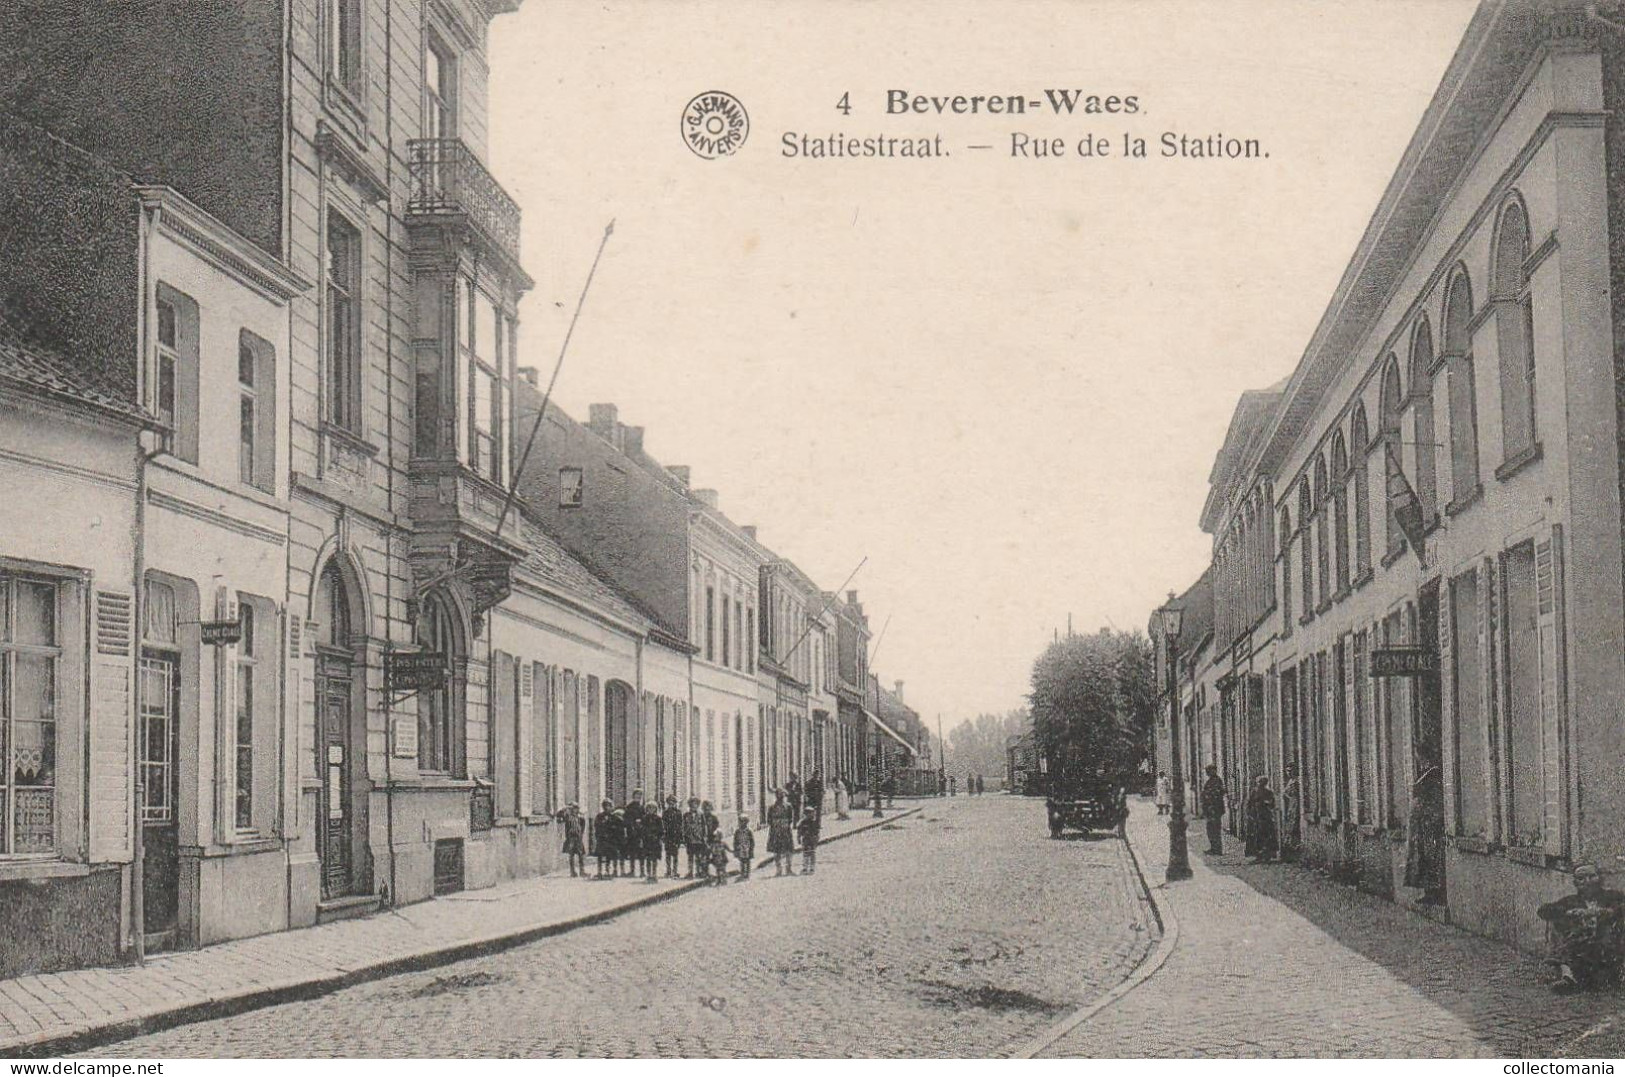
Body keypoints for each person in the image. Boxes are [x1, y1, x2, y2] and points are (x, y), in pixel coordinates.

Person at [1538, 864, 1625, 993]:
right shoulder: (1571, 901)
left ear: (1600, 879)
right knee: (1555, 923)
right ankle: (1568, 976)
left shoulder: (1612, 896)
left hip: (1610, 948)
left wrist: (1603, 912)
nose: (1587, 881)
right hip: (1581, 950)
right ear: (1575, 883)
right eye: (1581, 878)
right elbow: (1543, 911)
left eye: (1592, 876)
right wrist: (1569, 914)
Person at [1404, 764, 1446, 905]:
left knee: (1430, 861)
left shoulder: (1430, 799)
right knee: (1423, 862)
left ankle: (1434, 892)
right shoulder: (1421, 801)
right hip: (1422, 834)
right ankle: (1429, 892)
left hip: (1430, 834)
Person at [1244, 776, 1277, 863]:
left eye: (1262, 783)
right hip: (1255, 816)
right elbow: (1248, 804)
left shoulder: (1269, 792)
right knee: (1256, 836)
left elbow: (1272, 804)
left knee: (1266, 835)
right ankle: (1258, 855)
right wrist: (1249, 814)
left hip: (1265, 817)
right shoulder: (1254, 792)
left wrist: (1268, 803)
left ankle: (1267, 855)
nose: (1260, 784)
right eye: (1259, 782)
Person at [767, 787, 795, 876]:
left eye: (782, 795)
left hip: (786, 830)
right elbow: (769, 820)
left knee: (789, 850)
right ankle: (779, 870)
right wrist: (776, 824)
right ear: (776, 796)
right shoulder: (772, 808)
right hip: (776, 831)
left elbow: (791, 819)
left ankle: (788, 869)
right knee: (777, 851)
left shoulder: (788, 806)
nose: (781, 797)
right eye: (778, 795)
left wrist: (785, 824)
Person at [1201, 765, 1226, 855]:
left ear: (1214, 771)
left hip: (1214, 809)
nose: (1208, 772)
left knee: (1214, 829)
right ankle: (1214, 848)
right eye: (1207, 771)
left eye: (1209, 770)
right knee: (1210, 829)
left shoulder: (1217, 781)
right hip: (1210, 809)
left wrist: (1208, 799)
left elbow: (1217, 794)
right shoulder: (1211, 781)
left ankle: (1217, 849)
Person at [557, 802, 586, 878]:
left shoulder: (579, 817)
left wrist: (581, 833)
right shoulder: (568, 817)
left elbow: (583, 825)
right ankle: (572, 871)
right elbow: (559, 815)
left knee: (581, 854)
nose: (575, 810)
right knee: (571, 854)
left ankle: (582, 871)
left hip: (578, 837)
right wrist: (565, 808)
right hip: (571, 838)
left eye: (576, 808)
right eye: (574, 808)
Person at [1279, 765, 1302, 862]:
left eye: (1290, 771)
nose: (1288, 773)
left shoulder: (1296, 781)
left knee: (1294, 826)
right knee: (1290, 825)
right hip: (1291, 804)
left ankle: (1294, 850)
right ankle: (1290, 850)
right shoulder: (1290, 781)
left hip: (1295, 803)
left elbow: (1293, 792)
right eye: (1287, 771)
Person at [683, 796, 708, 878]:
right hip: (690, 839)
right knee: (690, 856)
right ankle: (690, 872)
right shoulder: (686, 815)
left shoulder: (701, 814)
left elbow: (704, 826)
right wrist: (685, 837)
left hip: (699, 839)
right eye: (692, 804)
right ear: (690, 805)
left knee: (698, 856)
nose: (694, 805)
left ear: (698, 805)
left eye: (696, 804)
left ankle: (698, 872)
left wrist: (704, 836)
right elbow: (684, 827)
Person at [623, 790, 646, 878]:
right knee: (632, 852)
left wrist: (641, 822)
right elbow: (626, 819)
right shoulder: (629, 807)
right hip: (631, 832)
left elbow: (645, 818)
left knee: (641, 853)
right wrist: (632, 824)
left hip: (640, 833)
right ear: (633, 796)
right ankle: (632, 870)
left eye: (640, 796)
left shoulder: (642, 807)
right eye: (637, 795)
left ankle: (642, 871)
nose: (638, 797)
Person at [662, 794, 684, 878]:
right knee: (668, 854)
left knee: (675, 855)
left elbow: (681, 825)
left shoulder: (678, 813)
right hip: (668, 836)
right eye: (669, 803)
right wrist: (663, 835)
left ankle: (675, 871)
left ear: (675, 803)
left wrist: (681, 837)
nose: (671, 804)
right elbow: (663, 824)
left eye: (673, 802)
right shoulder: (665, 813)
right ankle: (668, 871)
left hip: (676, 836)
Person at [641, 802, 663, 881]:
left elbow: (661, 830)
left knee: (654, 858)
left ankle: (654, 874)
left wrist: (657, 836)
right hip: (647, 841)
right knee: (648, 858)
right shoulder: (644, 818)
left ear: (655, 809)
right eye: (649, 808)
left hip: (655, 841)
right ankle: (648, 874)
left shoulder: (658, 819)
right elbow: (642, 829)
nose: (651, 810)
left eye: (653, 808)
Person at [797, 805, 820, 875]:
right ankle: (805, 867)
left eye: (812, 813)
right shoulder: (803, 822)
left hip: (812, 839)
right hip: (805, 840)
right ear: (806, 814)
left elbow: (817, 832)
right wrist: (798, 838)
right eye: (809, 813)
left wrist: (817, 839)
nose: (812, 815)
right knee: (805, 853)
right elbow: (799, 831)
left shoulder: (814, 822)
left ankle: (812, 868)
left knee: (812, 853)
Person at [733, 813, 755, 882]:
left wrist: (751, 848)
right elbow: (735, 840)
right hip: (740, 848)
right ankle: (742, 872)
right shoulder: (737, 831)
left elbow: (752, 840)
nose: (741, 823)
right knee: (742, 860)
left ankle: (747, 873)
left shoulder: (749, 831)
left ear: (746, 822)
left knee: (747, 860)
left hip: (747, 848)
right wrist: (735, 848)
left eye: (743, 821)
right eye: (740, 821)